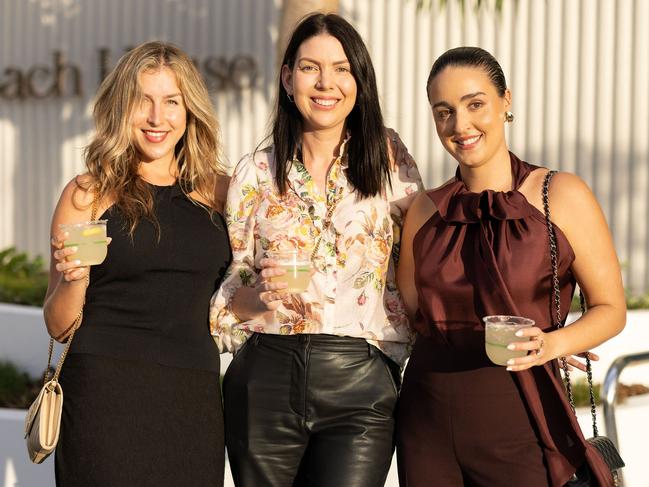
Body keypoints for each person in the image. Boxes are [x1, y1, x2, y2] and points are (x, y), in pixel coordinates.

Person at [395, 46, 626, 486]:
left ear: (506, 102)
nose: (460, 125)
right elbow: (411, 313)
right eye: (444, 112)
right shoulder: (424, 211)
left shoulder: (560, 194)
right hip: (426, 420)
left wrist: (554, 344)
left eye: (475, 104)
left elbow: (610, 308)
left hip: (523, 415)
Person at [209, 13, 422, 487]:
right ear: (287, 78)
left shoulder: (390, 161)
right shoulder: (254, 173)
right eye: (309, 68)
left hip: (361, 380)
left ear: (359, 80)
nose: (326, 82)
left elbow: (424, 263)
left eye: (342, 68)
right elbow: (233, 284)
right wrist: (258, 297)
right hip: (264, 375)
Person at [45, 41, 231, 487]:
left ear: (190, 111)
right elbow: (57, 324)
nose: (156, 117)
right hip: (102, 392)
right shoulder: (87, 194)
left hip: (192, 397)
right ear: (120, 107)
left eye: (171, 102)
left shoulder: (220, 193)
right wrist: (75, 280)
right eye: (142, 101)